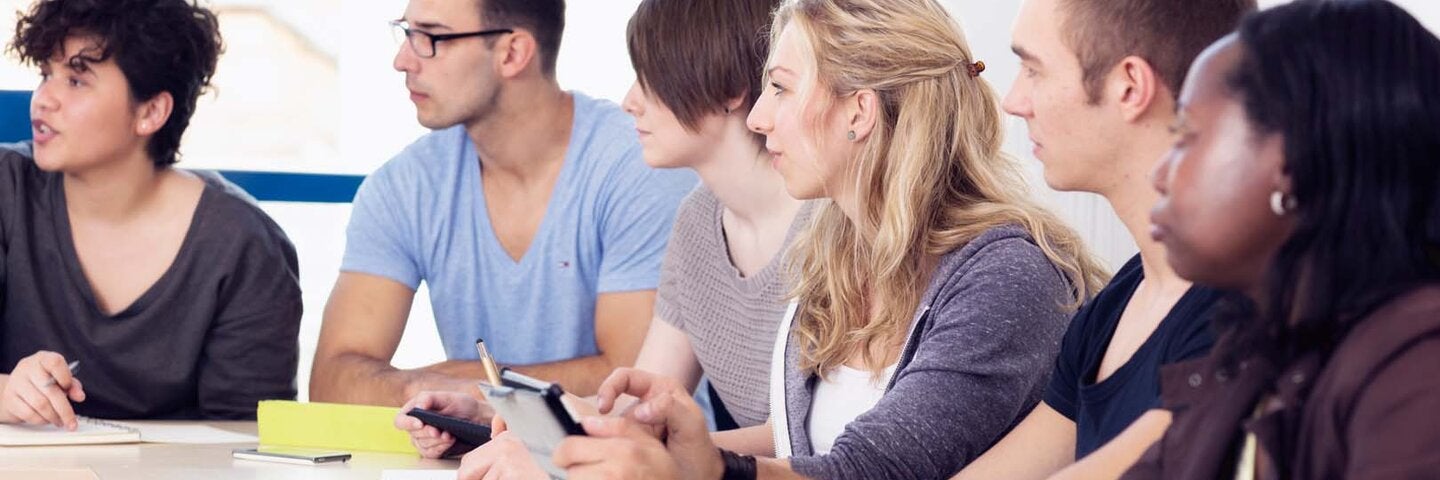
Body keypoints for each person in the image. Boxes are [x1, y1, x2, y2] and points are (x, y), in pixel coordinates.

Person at [467, 0, 1112, 478]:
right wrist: (626, 443)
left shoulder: (1006, 277)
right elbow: (802, 446)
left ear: (858, 112)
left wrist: (698, 469)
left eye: (779, 88)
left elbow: (875, 469)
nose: (758, 116)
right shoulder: (832, 252)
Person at [395, 0, 806, 459]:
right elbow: (636, 409)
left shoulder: (827, 225)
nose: (630, 101)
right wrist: (493, 415)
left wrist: (640, 451)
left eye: (651, 78)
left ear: (729, 90)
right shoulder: (697, 222)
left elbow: (810, 436)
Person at [309, 0, 696, 407]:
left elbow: (635, 383)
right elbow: (332, 384)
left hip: (638, 447)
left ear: (512, 53)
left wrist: (463, 384)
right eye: (407, 32)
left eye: (432, 37)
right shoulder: (402, 187)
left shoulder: (642, 164)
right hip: (483, 446)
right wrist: (419, 389)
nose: (402, 60)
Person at [1127, 0, 1440, 477]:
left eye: (1185, 136)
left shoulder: (1417, 363)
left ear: (1292, 160)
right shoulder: (1254, 361)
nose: (1159, 175)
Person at [954, 0, 1253, 478]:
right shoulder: (1117, 304)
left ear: (1129, 87)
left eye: (1034, 70)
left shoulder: (1241, 311)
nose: (1013, 101)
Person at [0, 0, 302, 426]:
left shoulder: (243, 245)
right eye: (46, 74)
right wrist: (5, 393)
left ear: (150, 112)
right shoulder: (7, 188)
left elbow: (246, 436)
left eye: (76, 80)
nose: (43, 99)